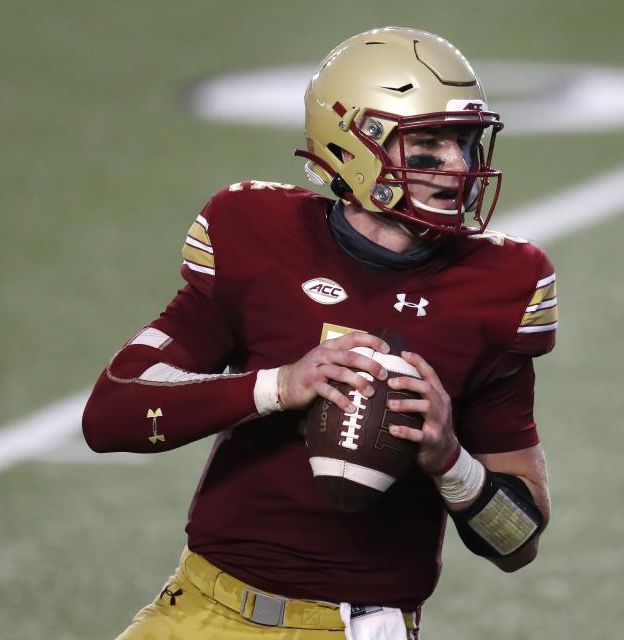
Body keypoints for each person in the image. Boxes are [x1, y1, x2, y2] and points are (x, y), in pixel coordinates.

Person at [82, 26, 557, 640]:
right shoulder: (256, 233)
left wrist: (449, 460)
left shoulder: (500, 285)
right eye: (429, 146)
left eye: (466, 144)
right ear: (354, 145)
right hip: (201, 605)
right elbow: (110, 416)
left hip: (357, 626)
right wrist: (279, 387)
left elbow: (519, 545)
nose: (459, 168)